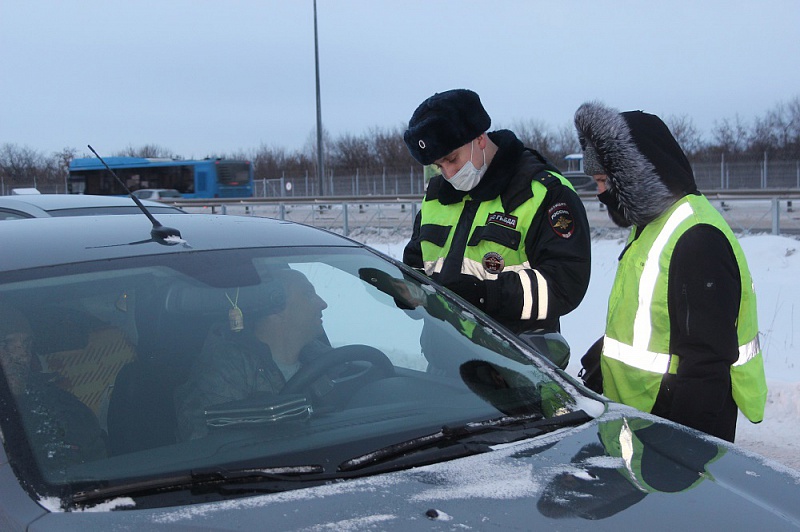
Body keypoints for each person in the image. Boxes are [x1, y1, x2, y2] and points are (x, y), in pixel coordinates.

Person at [573, 101, 767, 442]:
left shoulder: (697, 239)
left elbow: (706, 364)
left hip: (678, 425)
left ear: (632, 174)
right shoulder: (652, 224)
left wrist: (681, 450)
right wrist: (604, 355)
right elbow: (654, 319)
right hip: (644, 415)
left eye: (603, 181)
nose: (599, 192)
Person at [402, 89, 591, 341]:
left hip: (515, 364)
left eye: (452, 159)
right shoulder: (437, 195)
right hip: (443, 358)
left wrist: (485, 295)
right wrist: (400, 288)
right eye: (438, 165)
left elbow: (566, 283)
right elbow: (417, 263)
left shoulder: (541, 192)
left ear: (479, 139)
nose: (447, 174)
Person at [174, 268, 331, 440]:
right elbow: (208, 446)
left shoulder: (326, 359)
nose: (323, 303)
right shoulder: (225, 370)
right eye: (308, 294)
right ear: (276, 307)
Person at [0, 304, 107, 474]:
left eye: (27, 344)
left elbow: (100, 466)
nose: (22, 356)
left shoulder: (64, 407)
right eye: (6, 344)